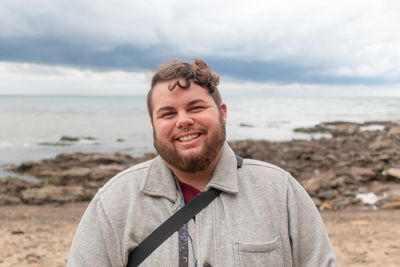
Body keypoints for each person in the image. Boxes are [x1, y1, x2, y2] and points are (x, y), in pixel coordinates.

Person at [67, 59, 336, 266]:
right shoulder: (115, 202)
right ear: (153, 124)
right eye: (168, 113)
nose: (183, 120)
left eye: (195, 108)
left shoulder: (281, 192)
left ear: (222, 113)